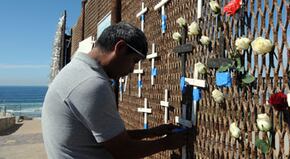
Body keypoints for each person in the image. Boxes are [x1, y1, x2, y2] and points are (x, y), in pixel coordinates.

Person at [42, 22, 189, 159]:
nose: (132, 69)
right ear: (120, 48)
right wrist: (166, 143)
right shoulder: (91, 84)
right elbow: (123, 150)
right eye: (134, 61)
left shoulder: (75, 71)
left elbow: (107, 138)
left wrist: (149, 133)